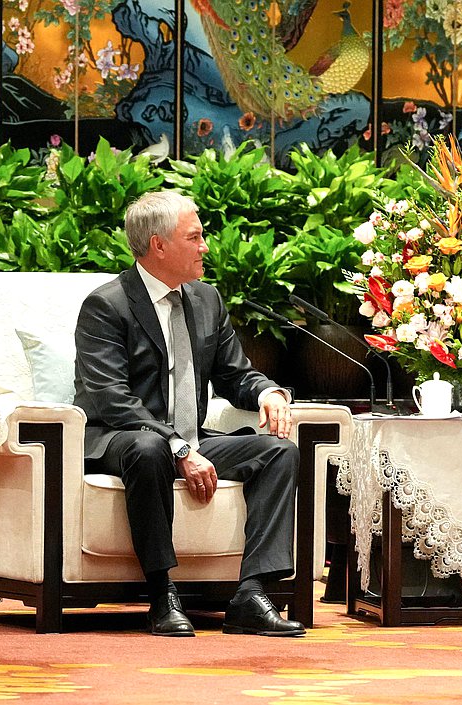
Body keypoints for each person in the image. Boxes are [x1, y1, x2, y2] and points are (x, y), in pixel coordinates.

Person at [74, 191, 304, 638]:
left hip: (190, 437)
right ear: (158, 245)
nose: (206, 246)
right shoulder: (107, 306)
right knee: (149, 447)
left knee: (279, 452)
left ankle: (251, 594)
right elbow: (110, 399)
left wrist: (267, 392)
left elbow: (235, 374)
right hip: (120, 438)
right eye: (195, 237)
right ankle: (162, 594)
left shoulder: (206, 300)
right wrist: (177, 446)